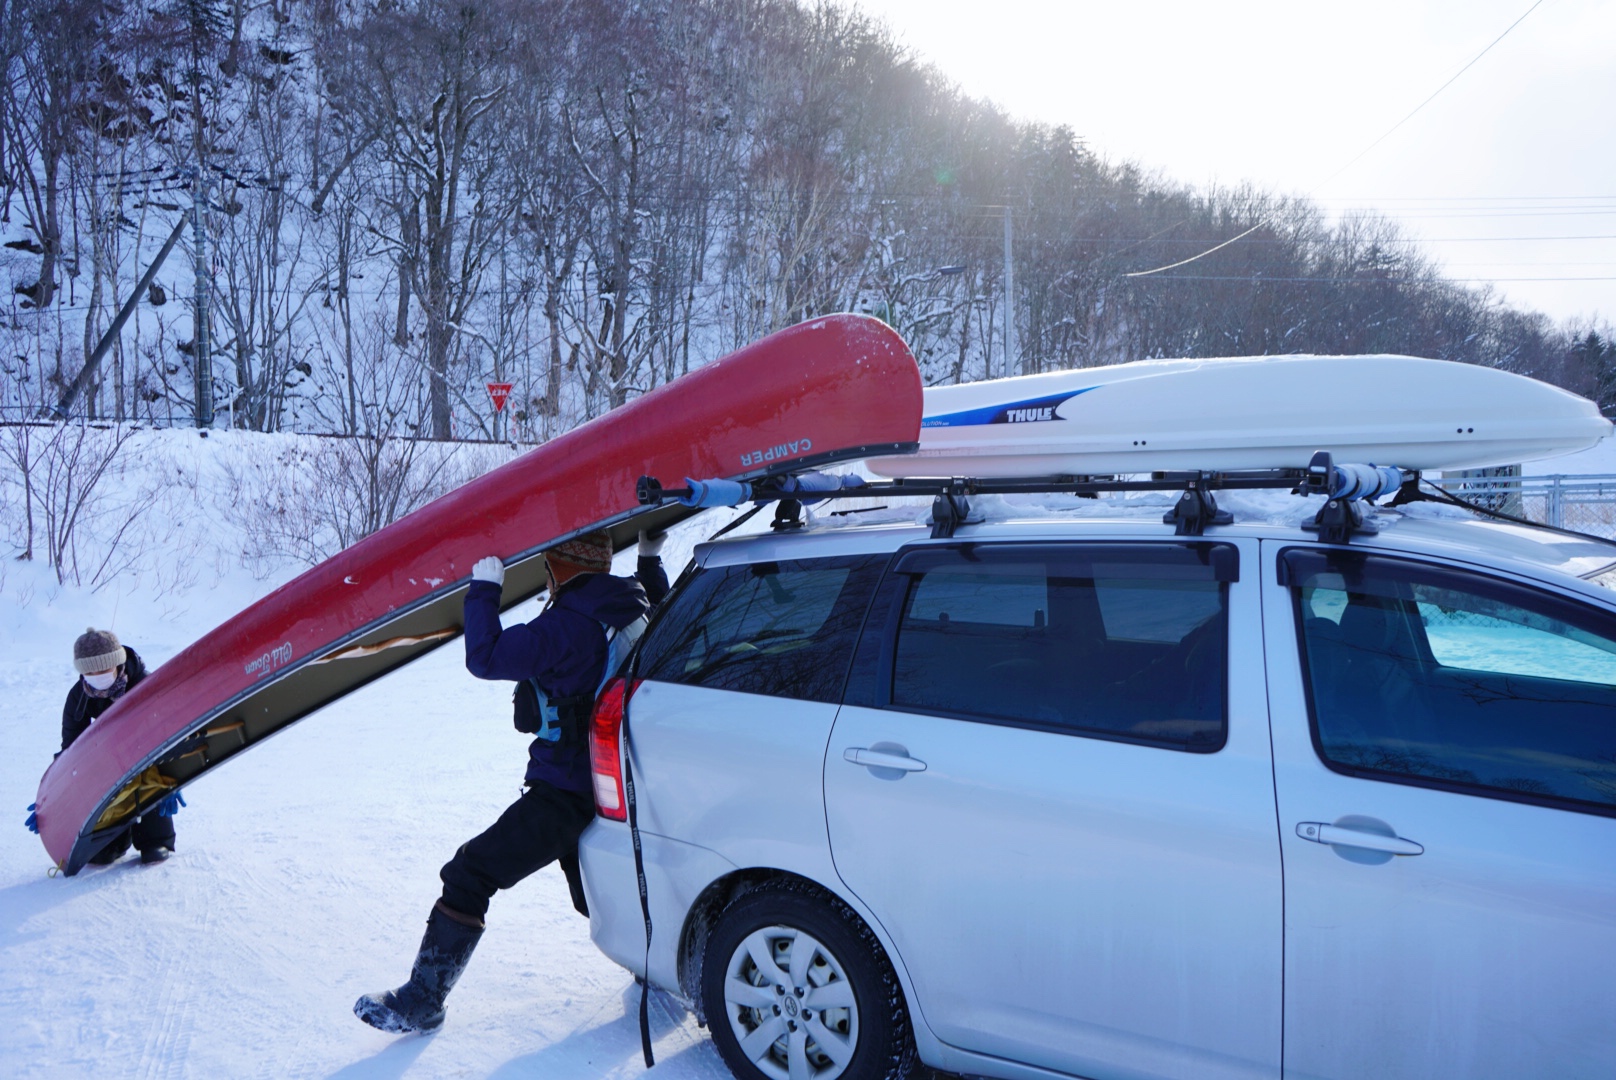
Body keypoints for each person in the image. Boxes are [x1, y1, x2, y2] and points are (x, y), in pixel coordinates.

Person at [355, 530, 668, 1034]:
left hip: (568, 791)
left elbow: (486, 656)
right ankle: (656, 966)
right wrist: (651, 558)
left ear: (559, 567)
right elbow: (664, 601)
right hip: (618, 784)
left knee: (470, 872)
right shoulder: (631, 602)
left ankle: (422, 999)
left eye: (548, 564)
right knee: (595, 891)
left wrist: (484, 589)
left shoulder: (566, 627)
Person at [62, 628, 176, 866]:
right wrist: (57, 793)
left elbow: (167, 733)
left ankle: (156, 838)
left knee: (151, 778)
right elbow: (71, 750)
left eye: (103, 669)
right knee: (101, 856)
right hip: (109, 759)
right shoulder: (78, 696)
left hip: (147, 753)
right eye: (90, 671)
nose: (97, 676)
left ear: (117, 663)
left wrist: (174, 778)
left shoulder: (145, 685)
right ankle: (115, 838)